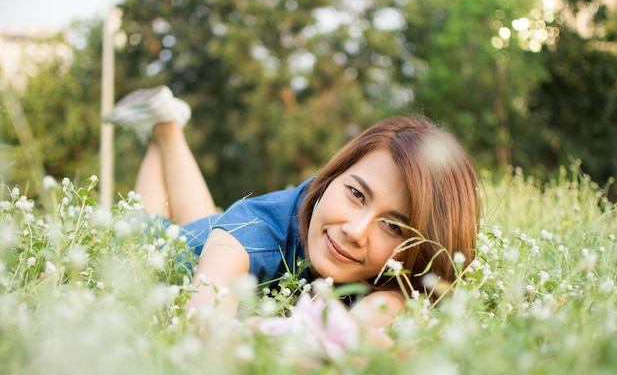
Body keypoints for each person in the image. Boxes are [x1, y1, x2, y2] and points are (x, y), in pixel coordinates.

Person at [105, 86, 479, 330]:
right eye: (356, 194)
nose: (355, 230)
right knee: (142, 224)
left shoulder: (397, 270)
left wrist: (388, 304)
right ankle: (164, 126)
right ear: (333, 174)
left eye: (394, 227)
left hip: (211, 225)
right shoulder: (253, 227)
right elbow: (203, 320)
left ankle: (164, 127)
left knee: (202, 217)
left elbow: (398, 305)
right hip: (181, 247)